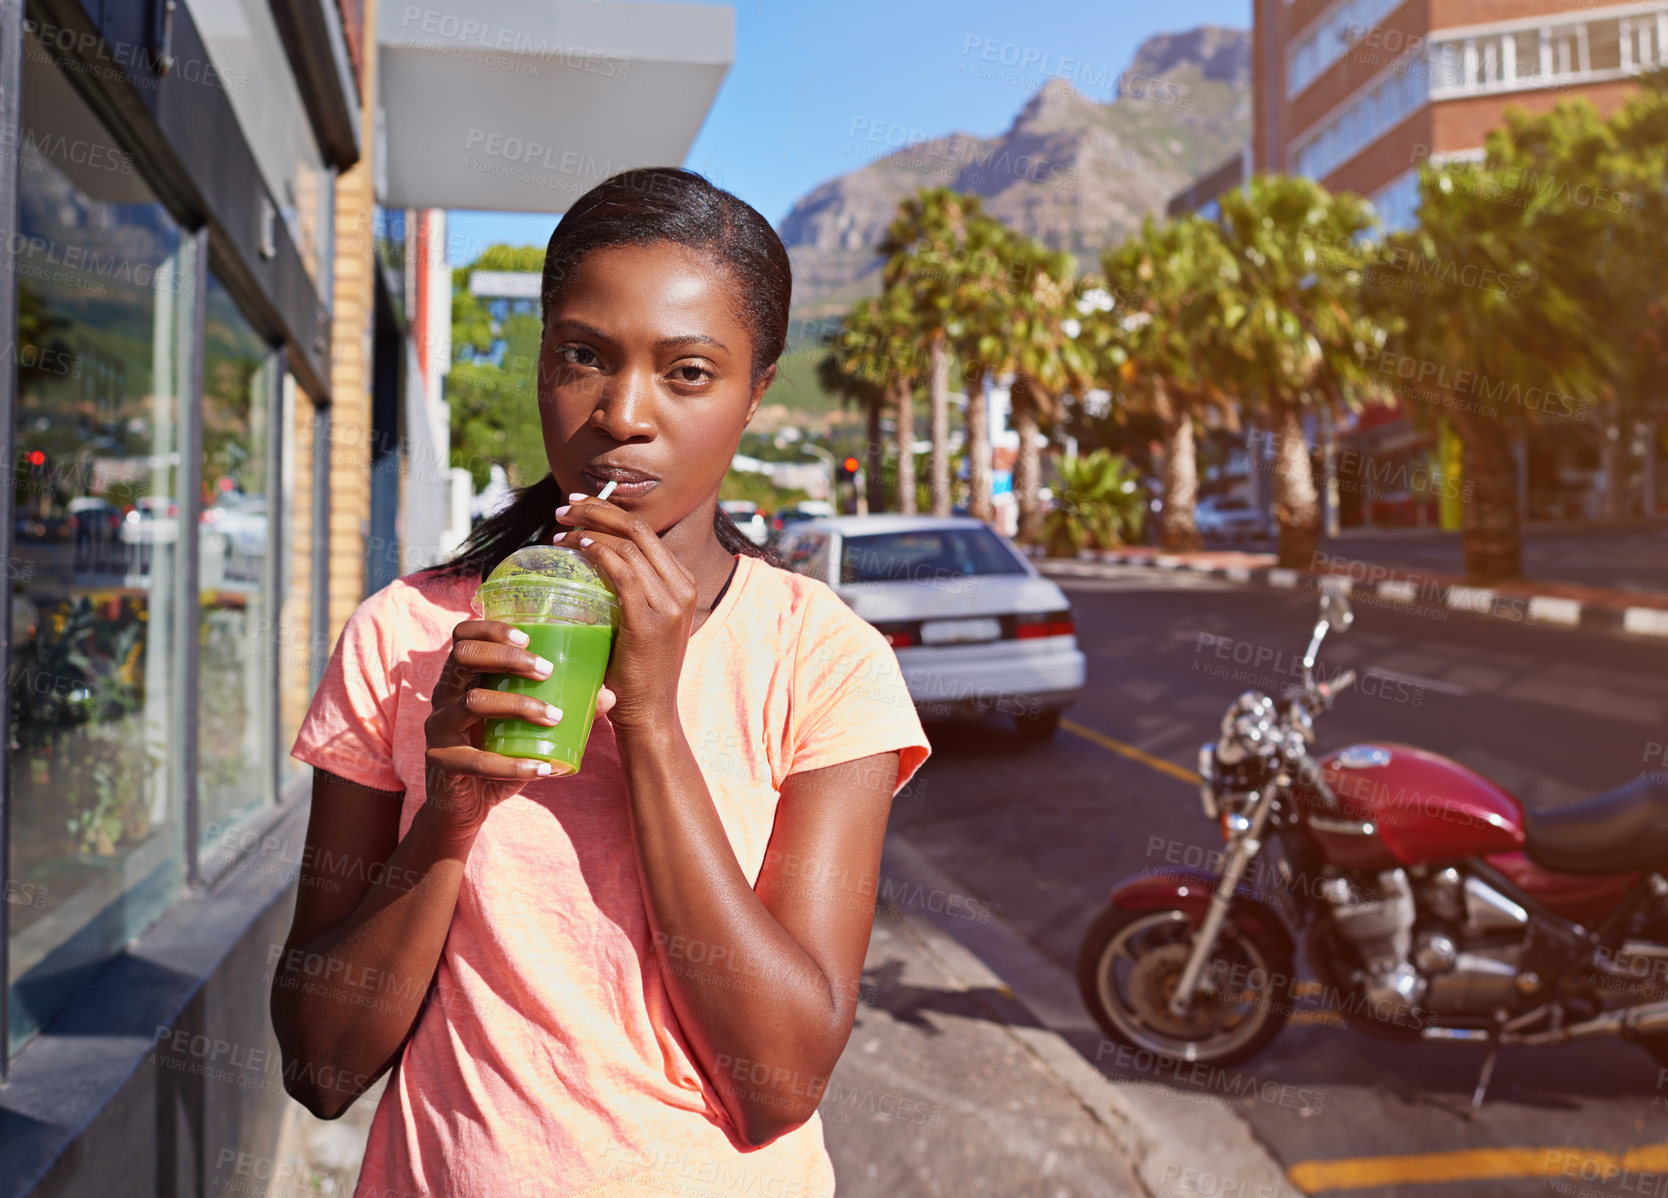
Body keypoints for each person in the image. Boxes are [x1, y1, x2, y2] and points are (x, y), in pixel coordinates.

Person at [272, 167, 931, 1197]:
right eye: (584, 356)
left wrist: (656, 724)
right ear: (541, 363)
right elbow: (319, 1066)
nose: (623, 413)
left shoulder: (824, 659)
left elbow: (781, 1080)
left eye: (687, 372)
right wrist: (446, 818)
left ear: (757, 391)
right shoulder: (405, 636)